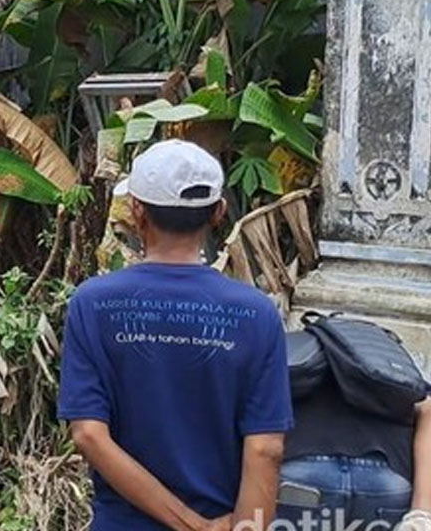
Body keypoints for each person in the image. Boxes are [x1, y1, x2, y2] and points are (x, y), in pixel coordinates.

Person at [57, 140, 291, 530]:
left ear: (137, 211)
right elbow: (265, 449)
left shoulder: (93, 303)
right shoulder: (256, 313)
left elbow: (88, 436)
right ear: (218, 212)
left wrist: (188, 525)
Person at [277, 344, 430, 529]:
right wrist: (421, 513)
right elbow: (427, 410)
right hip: (387, 478)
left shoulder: (297, 359)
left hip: (303, 471)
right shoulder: (392, 367)